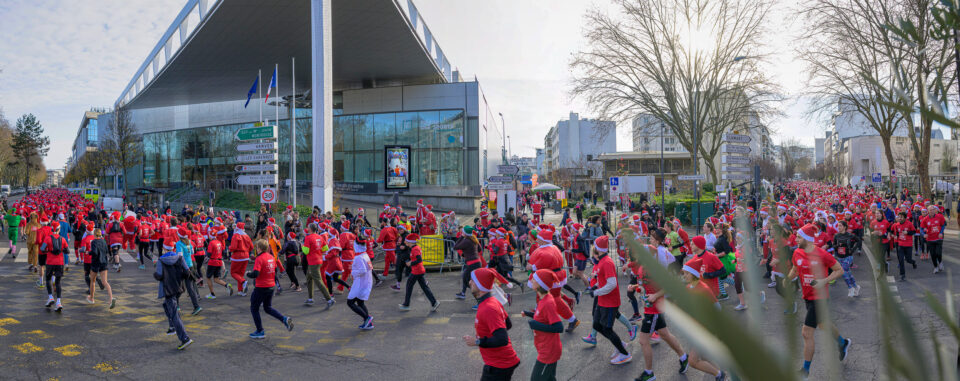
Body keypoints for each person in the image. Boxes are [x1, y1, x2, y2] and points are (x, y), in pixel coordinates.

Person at [786, 224, 850, 378]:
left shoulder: (822, 254)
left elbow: (839, 270)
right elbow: (795, 269)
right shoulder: (797, 253)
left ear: (807, 239)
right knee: (823, 325)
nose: (796, 239)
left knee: (806, 333)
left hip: (820, 299)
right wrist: (787, 280)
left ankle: (805, 371)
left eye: (799, 237)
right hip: (807, 297)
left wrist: (824, 281)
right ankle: (842, 343)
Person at [463, 268, 520, 380]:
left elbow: (502, 339)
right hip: (500, 363)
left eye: (472, 280)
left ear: (480, 284)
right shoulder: (492, 301)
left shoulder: (488, 308)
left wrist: (477, 341)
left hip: (499, 366)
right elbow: (508, 324)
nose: (469, 282)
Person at [584, 236, 632, 365]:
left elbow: (612, 284)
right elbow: (604, 280)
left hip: (610, 302)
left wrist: (596, 292)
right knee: (596, 325)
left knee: (607, 329)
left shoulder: (607, 262)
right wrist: (595, 286)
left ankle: (625, 354)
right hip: (603, 301)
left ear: (597, 249)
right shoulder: (601, 261)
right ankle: (619, 343)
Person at [247, 239, 294, 339]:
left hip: (261, 287)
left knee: (254, 308)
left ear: (259, 248)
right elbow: (274, 270)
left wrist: (248, 274)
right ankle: (284, 319)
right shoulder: (271, 257)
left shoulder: (259, 258)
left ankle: (260, 331)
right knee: (267, 307)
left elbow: (256, 274)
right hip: (271, 286)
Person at [523, 269, 563, 381]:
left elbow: (559, 327)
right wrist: (529, 314)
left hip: (548, 352)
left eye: (534, 279)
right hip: (545, 348)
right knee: (549, 378)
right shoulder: (543, 299)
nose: (531, 279)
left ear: (540, 284)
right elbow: (543, 317)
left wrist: (535, 325)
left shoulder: (548, 302)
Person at [154, 242, 194, 350]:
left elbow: (159, 275)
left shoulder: (161, 260)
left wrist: (155, 273)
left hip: (168, 289)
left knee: (174, 313)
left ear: (164, 249)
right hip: (178, 287)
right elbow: (187, 272)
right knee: (167, 306)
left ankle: (184, 338)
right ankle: (172, 327)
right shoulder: (180, 258)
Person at [398, 234, 440, 311]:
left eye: (407, 242)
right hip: (418, 270)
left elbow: (419, 260)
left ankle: (406, 304)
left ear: (410, 242)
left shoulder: (415, 249)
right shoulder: (414, 248)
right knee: (424, 287)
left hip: (416, 271)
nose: (406, 243)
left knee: (409, 286)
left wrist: (411, 263)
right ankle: (434, 302)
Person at [303, 223, 335, 308]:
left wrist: (302, 246)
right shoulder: (319, 236)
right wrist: (318, 250)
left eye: (308, 227)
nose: (307, 228)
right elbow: (325, 248)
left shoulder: (308, 237)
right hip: (319, 260)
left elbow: (306, 251)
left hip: (313, 262)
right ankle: (310, 298)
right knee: (309, 278)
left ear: (310, 229)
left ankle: (329, 299)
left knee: (318, 281)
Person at [40, 223, 69, 312]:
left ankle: (50, 297)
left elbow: (42, 248)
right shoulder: (63, 239)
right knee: (58, 282)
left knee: (48, 279)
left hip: (50, 262)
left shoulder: (48, 238)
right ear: (59, 229)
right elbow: (67, 251)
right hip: (60, 262)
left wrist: (49, 250)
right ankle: (59, 302)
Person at [347, 238, 375, 330]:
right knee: (360, 302)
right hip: (366, 281)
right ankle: (368, 323)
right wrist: (354, 268)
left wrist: (353, 272)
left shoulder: (358, 257)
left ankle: (367, 318)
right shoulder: (364, 254)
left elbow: (362, 270)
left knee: (350, 302)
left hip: (360, 282)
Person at [87, 229, 116, 308]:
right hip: (104, 262)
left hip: (96, 263)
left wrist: (88, 252)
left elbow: (95, 252)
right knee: (105, 282)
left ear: (95, 234)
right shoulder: (104, 242)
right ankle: (111, 298)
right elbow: (106, 251)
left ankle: (92, 298)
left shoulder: (94, 242)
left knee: (92, 281)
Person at [832, 221, 861, 297]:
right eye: (838, 226)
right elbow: (834, 246)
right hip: (840, 257)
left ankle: (850, 288)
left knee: (843, 271)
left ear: (845, 227)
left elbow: (859, 241)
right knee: (848, 272)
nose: (839, 227)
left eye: (840, 226)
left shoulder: (850, 235)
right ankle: (856, 287)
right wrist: (838, 246)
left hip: (848, 256)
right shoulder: (836, 236)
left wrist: (853, 249)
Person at [889, 211, 918, 281]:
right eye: (899, 217)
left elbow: (914, 231)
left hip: (908, 245)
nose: (900, 218)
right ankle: (902, 275)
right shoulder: (896, 225)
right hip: (900, 244)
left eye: (901, 217)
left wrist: (907, 232)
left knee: (908, 260)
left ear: (905, 218)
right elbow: (891, 231)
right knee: (901, 260)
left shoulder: (909, 224)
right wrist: (893, 235)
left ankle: (913, 262)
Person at [203, 232, 233, 299]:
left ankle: (212, 294)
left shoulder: (211, 243)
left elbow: (209, 254)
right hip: (219, 261)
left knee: (208, 278)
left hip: (213, 262)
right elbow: (222, 250)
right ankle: (226, 285)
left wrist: (206, 256)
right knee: (216, 279)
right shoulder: (219, 242)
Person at [229, 222, 253, 295]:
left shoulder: (236, 235)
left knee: (233, 273)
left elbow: (233, 247)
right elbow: (251, 247)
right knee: (240, 274)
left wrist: (229, 249)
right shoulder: (247, 236)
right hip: (246, 256)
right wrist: (246, 251)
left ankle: (243, 282)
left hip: (237, 256)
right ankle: (241, 291)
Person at [924, 205, 946, 274]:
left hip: (938, 238)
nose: (932, 211)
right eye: (930, 210)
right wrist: (923, 233)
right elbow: (921, 228)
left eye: (933, 209)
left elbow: (943, 225)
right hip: (930, 239)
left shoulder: (940, 216)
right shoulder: (925, 219)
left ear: (935, 210)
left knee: (938, 252)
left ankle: (940, 262)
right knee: (933, 254)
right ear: (928, 211)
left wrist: (941, 232)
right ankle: (936, 267)